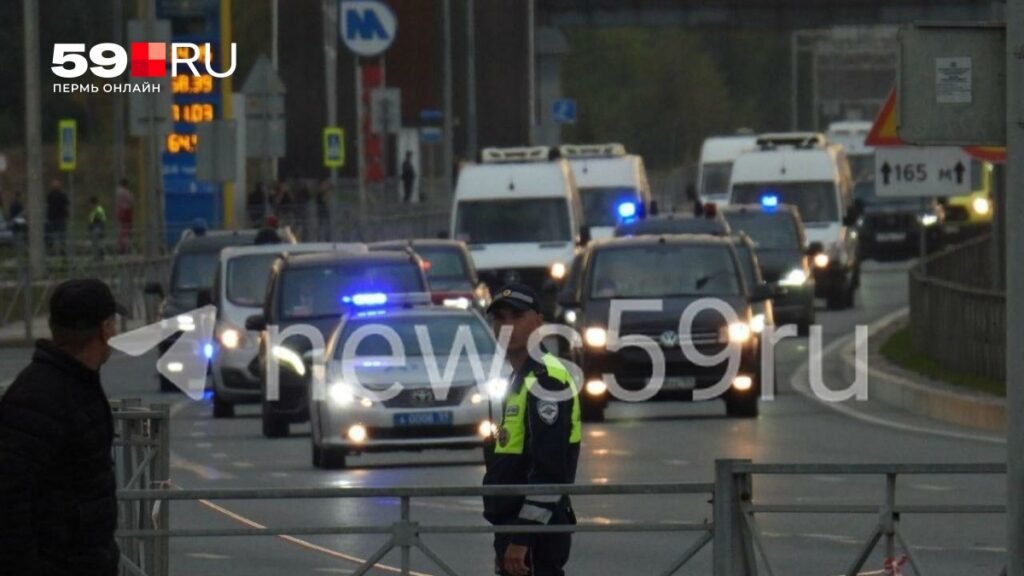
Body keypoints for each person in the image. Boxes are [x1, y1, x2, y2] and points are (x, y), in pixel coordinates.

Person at [0, 279, 126, 576]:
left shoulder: (71, 386)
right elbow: (11, 500)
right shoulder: (39, 397)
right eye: (112, 324)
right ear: (105, 331)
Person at [483, 283, 581, 576]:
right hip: (516, 524)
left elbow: (550, 469)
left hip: (536, 531)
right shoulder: (517, 379)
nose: (507, 326)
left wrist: (522, 537)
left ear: (538, 322)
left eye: (517, 316)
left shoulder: (546, 380)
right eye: (500, 318)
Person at [46, 178, 69, 255]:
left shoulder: (59, 195)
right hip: (55, 218)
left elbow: (66, 205)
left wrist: (66, 215)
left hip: (58, 218)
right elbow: (66, 205)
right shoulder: (52, 195)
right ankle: (54, 250)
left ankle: (60, 250)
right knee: (55, 235)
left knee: (59, 235)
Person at [115, 179, 134, 253]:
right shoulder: (126, 192)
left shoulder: (118, 191)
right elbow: (131, 200)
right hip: (126, 211)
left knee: (122, 229)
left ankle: (120, 247)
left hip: (120, 210)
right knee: (126, 230)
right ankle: (124, 247)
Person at [87, 196, 107, 261]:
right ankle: (97, 257)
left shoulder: (98, 209)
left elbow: (102, 219)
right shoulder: (94, 210)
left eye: (89, 204)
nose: (89, 205)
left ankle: (100, 257)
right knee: (96, 243)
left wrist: (100, 227)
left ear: (93, 203)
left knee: (97, 243)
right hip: (95, 228)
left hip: (98, 228)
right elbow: (91, 220)